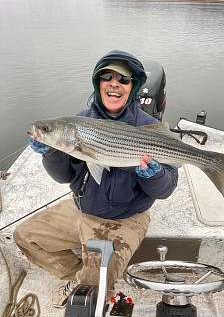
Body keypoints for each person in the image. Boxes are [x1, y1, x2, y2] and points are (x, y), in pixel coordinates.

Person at [13, 50, 178, 308]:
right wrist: (53, 153)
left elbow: (166, 188)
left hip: (127, 218)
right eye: (106, 77)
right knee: (24, 236)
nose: (114, 83)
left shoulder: (148, 126)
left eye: (123, 79)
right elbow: (64, 176)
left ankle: (90, 278)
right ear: (97, 83)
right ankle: (79, 276)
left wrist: (154, 174)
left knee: (90, 290)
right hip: (83, 208)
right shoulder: (79, 122)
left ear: (133, 87)